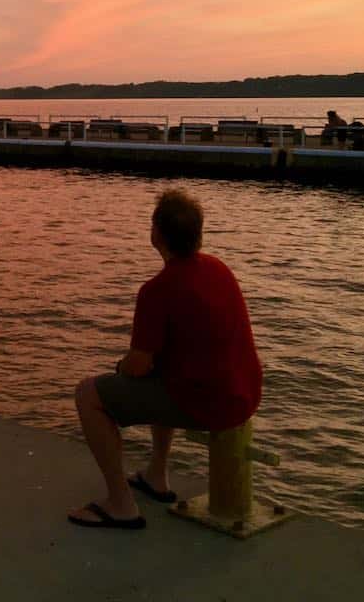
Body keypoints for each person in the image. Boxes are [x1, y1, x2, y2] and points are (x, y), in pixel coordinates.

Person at [67, 189, 262, 530]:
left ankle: (120, 504)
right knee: (165, 369)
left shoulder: (157, 290)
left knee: (88, 395)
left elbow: (138, 365)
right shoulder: (218, 268)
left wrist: (120, 368)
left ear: (156, 233)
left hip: (212, 403)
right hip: (245, 392)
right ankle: (157, 475)